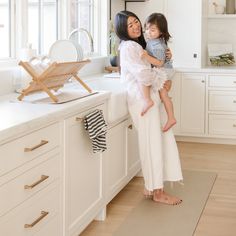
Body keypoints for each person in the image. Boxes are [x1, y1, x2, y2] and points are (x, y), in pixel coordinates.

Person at [114, 10, 183, 205]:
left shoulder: (138, 45)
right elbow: (143, 74)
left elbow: (153, 68)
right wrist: (161, 81)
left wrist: (164, 70)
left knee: (156, 141)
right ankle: (157, 193)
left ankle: (151, 187)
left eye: (136, 22)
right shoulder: (128, 47)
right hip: (143, 101)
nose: (136, 26)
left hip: (148, 98)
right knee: (152, 143)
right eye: (130, 25)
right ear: (123, 30)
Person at [140, 13, 176, 132]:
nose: (148, 32)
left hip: (163, 70)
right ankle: (170, 117)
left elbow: (160, 63)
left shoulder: (157, 45)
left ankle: (171, 118)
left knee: (163, 94)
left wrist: (146, 56)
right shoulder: (154, 40)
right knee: (163, 94)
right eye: (147, 28)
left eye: (152, 30)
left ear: (161, 32)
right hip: (165, 69)